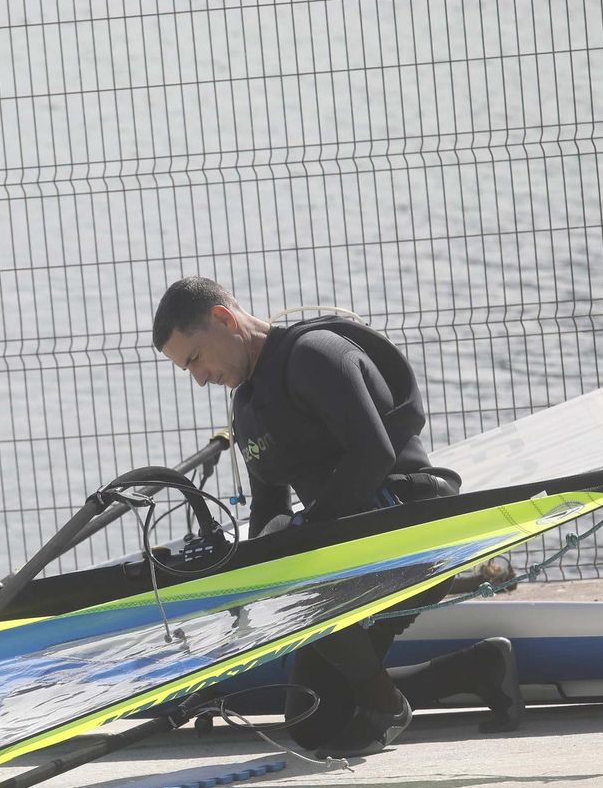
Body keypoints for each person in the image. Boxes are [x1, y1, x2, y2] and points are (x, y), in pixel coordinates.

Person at [152, 276, 522, 756]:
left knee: (305, 569)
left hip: (412, 526)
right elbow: (270, 506)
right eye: (187, 370)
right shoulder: (247, 407)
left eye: (196, 358)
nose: (200, 378)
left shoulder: (313, 355)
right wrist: (253, 568)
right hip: (343, 547)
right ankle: (481, 668)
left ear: (224, 319)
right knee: (315, 721)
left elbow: (374, 452)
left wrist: (305, 538)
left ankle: (385, 704)